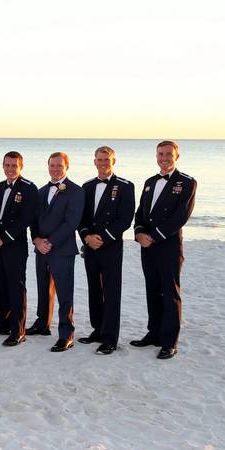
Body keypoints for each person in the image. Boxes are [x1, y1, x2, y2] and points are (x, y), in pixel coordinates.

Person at [130, 140, 197, 360]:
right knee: (152, 289)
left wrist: (154, 236)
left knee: (170, 292)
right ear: (156, 156)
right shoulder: (150, 181)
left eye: (169, 154)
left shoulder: (187, 182)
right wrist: (139, 233)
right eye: (160, 154)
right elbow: (141, 212)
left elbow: (181, 216)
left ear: (177, 156)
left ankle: (169, 341)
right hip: (147, 246)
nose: (164, 158)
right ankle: (154, 333)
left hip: (167, 245)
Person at [77, 147, 135, 355]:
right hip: (90, 247)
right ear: (94, 162)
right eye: (99, 159)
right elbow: (81, 218)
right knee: (94, 289)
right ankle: (98, 330)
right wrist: (86, 237)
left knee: (111, 292)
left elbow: (126, 218)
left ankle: (110, 338)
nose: (103, 163)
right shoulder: (87, 186)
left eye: (106, 159)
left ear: (114, 161)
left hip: (110, 246)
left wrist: (103, 238)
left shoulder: (126, 186)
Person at [27, 152, 84, 352]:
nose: (55, 169)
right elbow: (32, 221)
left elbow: (72, 222)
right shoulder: (41, 191)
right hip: (40, 248)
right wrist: (36, 240)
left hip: (62, 249)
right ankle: (43, 324)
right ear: (48, 166)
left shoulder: (76, 191)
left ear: (66, 166)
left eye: (59, 165)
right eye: (52, 165)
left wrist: (50, 242)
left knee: (64, 293)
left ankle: (66, 334)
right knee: (43, 288)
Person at [0, 152, 39, 346]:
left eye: (14, 165)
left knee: (16, 287)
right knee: (0, 285)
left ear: (21, 166)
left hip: (14, 245)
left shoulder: (30, 188)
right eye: (7, 165)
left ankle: (18, 329)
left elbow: (26, 219)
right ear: (3, 165)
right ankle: (3, 322)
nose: (10, 168)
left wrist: (3, 240)